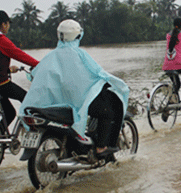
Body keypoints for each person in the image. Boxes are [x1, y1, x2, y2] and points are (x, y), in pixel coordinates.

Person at [19, 19, 130, 156]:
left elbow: (36, 75)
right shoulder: (80, 54)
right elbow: (97, 73)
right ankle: (101, 147)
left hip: (60, 104)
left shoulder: (50, 56)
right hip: (78, 102)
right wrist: (113, 82)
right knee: (107, 111)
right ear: (78, 36)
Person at [0, 10, 39, 127]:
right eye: (8, 24)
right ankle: (32, 130)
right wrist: (39, 64)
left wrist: (7, 70)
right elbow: (20, 55)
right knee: (27, 98)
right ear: (4, 24)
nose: (8, 27)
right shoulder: (1, 40)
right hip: (0, 85)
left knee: (10, 113)